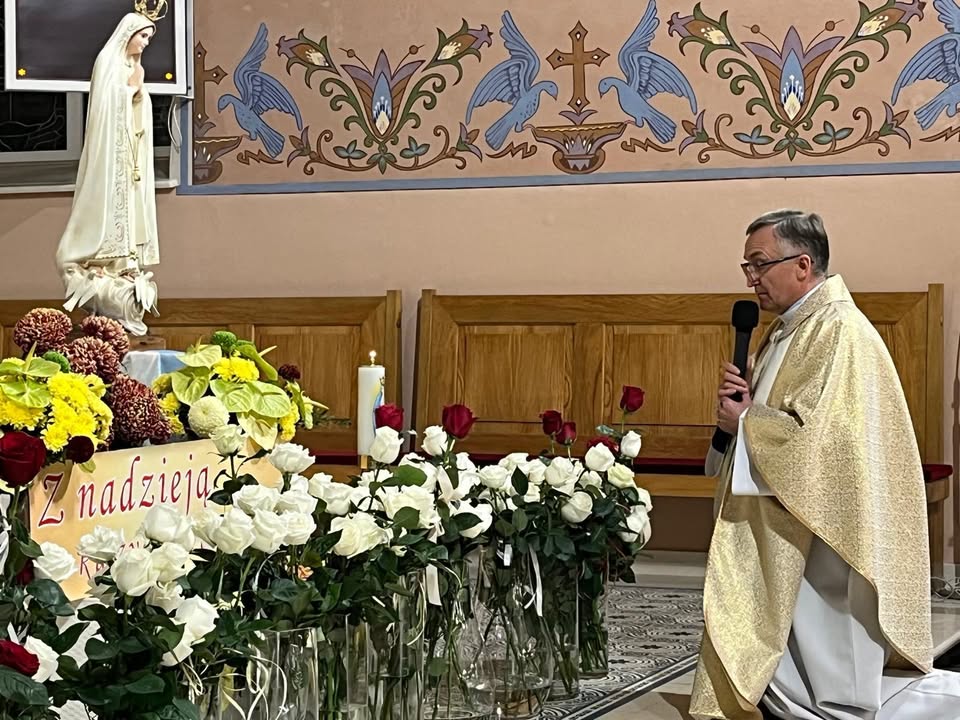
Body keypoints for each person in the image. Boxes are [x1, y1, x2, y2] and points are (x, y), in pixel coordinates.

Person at [689, 210, 960, 719]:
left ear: (802, 264)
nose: (751, 279)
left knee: (826, 627)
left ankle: (828, 703)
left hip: (823, 518)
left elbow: (821, 438)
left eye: (759, 264)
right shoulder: (792, 327)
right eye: (747, 266)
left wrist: (747, 420)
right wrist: (742, 412)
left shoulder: (836, 329)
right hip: (786, 504)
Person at [56, 10, 161, 336]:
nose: (145, 43)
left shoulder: (133, 68)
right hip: (110, 155)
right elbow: (104, 107)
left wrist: (139, 94)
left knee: (130, 207)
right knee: (108, 206)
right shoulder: (108, 62)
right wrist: (130, 90)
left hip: (129, 156)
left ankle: (124, 266)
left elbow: (137, 106)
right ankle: (99, 262)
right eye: (142, 36)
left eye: (149, 38)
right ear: (127, 33)